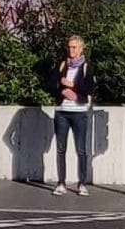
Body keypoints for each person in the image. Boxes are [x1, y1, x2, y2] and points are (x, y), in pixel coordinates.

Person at [52, 35, 95, 195]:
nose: (71, 50)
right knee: (61, 149)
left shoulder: (85, 66)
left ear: (81, 49)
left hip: (79, 113)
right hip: (62, 112)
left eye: (75, 47)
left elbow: (90, 88)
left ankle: (82, 183)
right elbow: (52, 84)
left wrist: (73, 88)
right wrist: (63, 91)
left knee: (81, 150)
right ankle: (61, 183)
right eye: (69, 47)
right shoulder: (62, 64)